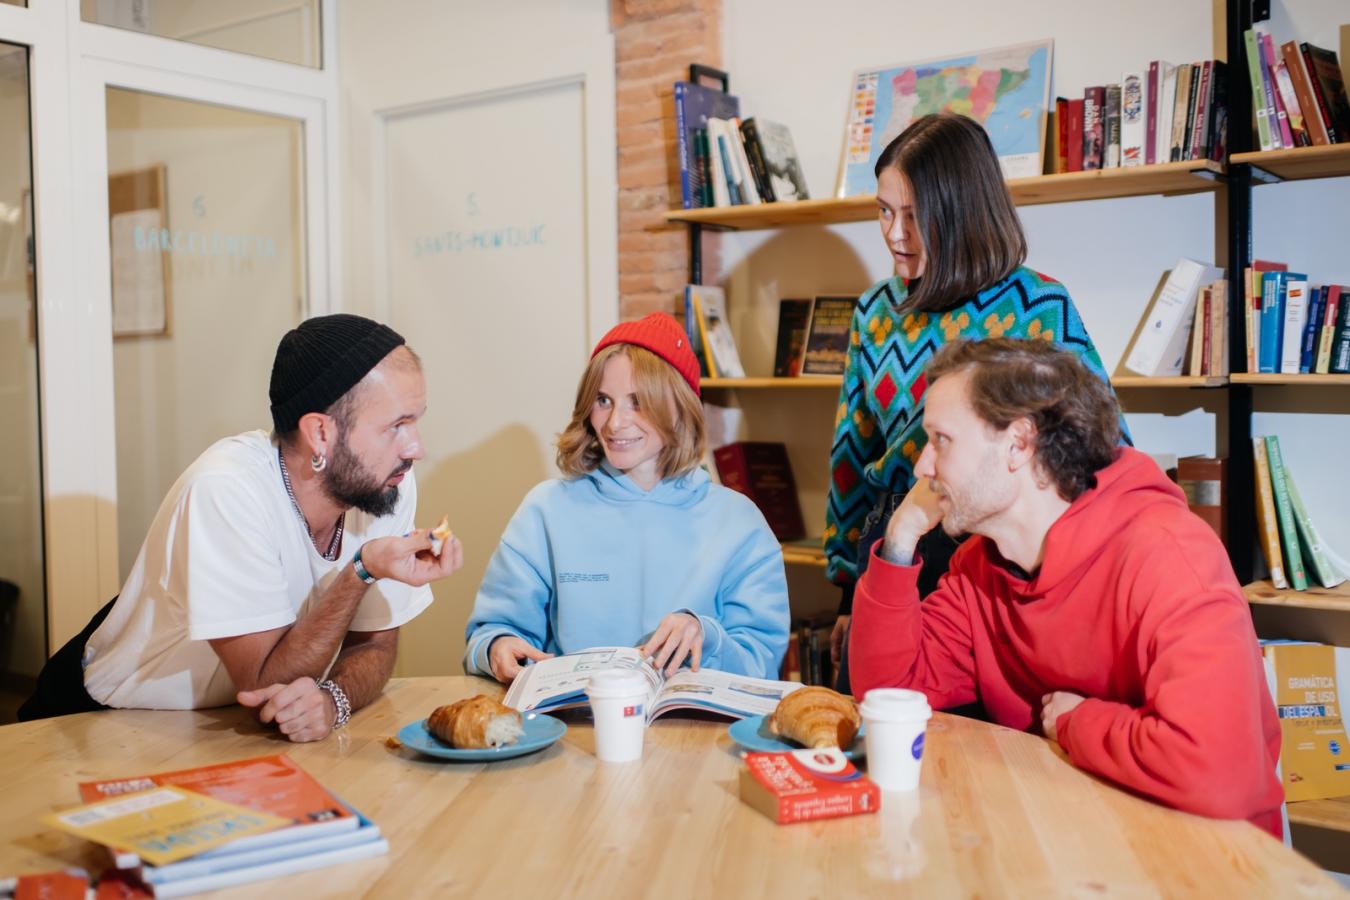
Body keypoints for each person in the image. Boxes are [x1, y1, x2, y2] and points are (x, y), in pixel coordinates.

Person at [850, 338, 1283, 834]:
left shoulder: (1169, 556)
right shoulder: (979, 567)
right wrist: (901, 537)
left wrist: (1078, 723)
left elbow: (1219, 774)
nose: (922, 467)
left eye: (941, 440)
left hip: (1205, 854)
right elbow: (888, 695)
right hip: (1075, 834)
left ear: (1018, 444)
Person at [19, 314, 463, 742]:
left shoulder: (385, 484)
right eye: (397, 426)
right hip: (103, 721)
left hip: (222, 729)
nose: (416, 449)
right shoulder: (226, 490)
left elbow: (375, 647)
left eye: (416, 421)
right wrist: (362, 571)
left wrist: (332, 701)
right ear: (320, 433)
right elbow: (264, 685)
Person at [824, 112, 1123, 690]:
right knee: (875, 718)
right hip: (895, 539)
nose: (894, 234)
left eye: (915, 216)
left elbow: (1101, 453)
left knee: (983, 732)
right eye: (884, 211)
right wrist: (845, 590)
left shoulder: (1038, 307)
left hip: (996, 556)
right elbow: (851, 453)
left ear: (962, 210)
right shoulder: (876, 311)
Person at [464, 312, 789, 682]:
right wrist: (497, 647)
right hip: (576, 717)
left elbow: (762, 662)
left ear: (681, 405)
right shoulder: (545, 511)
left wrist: (707, 636)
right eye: (603, 400)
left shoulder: (739, 522)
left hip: (694, 720)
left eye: (638, 401)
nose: (616, 422)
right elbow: (490, 634)